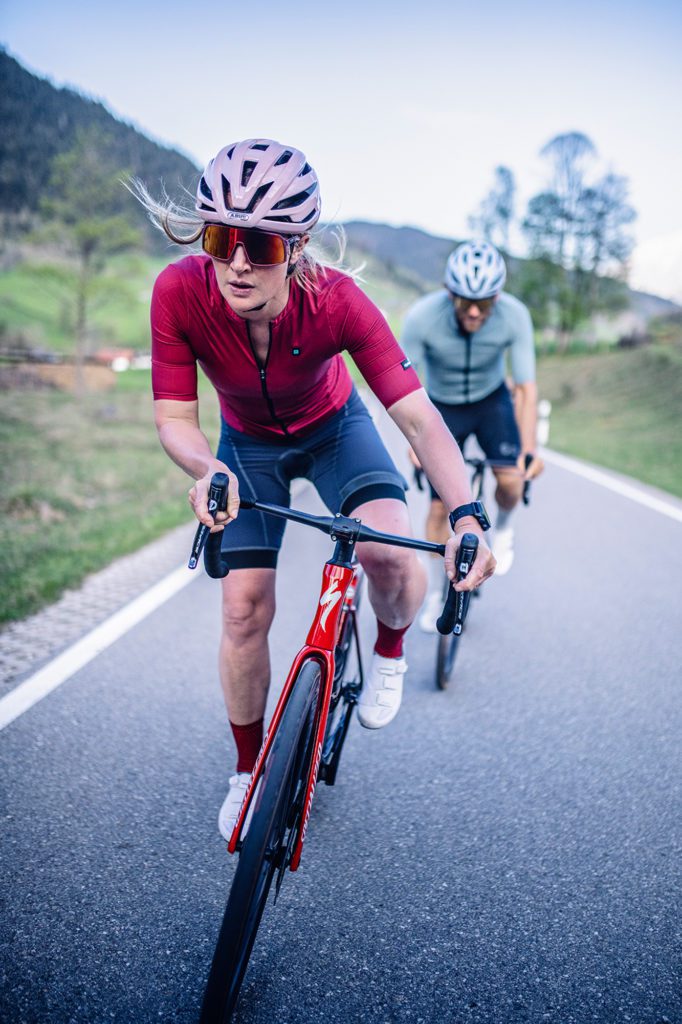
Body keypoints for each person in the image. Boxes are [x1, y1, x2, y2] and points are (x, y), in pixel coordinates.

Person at [135, 139, 495, 840]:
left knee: (388, 557)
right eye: (221, 238)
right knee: (242, 609)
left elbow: (418, 421)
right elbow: (176, 419)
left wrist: (468, 512)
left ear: (297, 247)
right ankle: (248, 770)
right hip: (245, 448)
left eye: (262, 246)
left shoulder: (337, 301)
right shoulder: (179, 291)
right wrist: (208, 470)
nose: (237, 261)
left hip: (335, 432)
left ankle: (389, 645)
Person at [400, 240, 543, 631]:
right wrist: (414, 444)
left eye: (485, 302)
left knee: (511, 482)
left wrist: (529, 449)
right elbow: (402, 385)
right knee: (436, 508)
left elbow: (527, 389)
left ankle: (506, 528)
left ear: (498, 296)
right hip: (441, 407)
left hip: (491, 400)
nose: (475, 311)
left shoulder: (515, 316)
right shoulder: (421, 318)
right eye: (465, 302)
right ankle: (435, 596)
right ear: (450, 293)